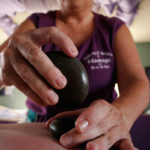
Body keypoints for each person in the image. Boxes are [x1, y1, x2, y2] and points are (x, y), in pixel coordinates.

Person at [0, 0, 149, 149]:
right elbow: (5, 59)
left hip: (98, 134)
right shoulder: (36, 22)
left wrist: (121, 114)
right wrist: (2, 68)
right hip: (39, 129)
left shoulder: (114, 28)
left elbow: (137, 83)